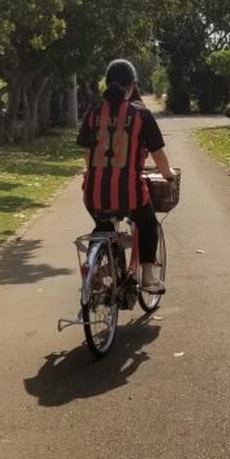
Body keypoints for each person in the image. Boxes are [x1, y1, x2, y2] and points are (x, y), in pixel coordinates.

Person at [77, 59, 175, 293]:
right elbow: (158, 155)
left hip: (94, 193)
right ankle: (148, 278)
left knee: (103, 224)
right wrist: (168, 174)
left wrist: (94, 169)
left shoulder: (93, 114)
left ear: (107, 82)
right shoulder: (141, 115)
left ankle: (98, 266)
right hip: (129, 193)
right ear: (132, 86)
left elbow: (87, 154)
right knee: (148, 224)